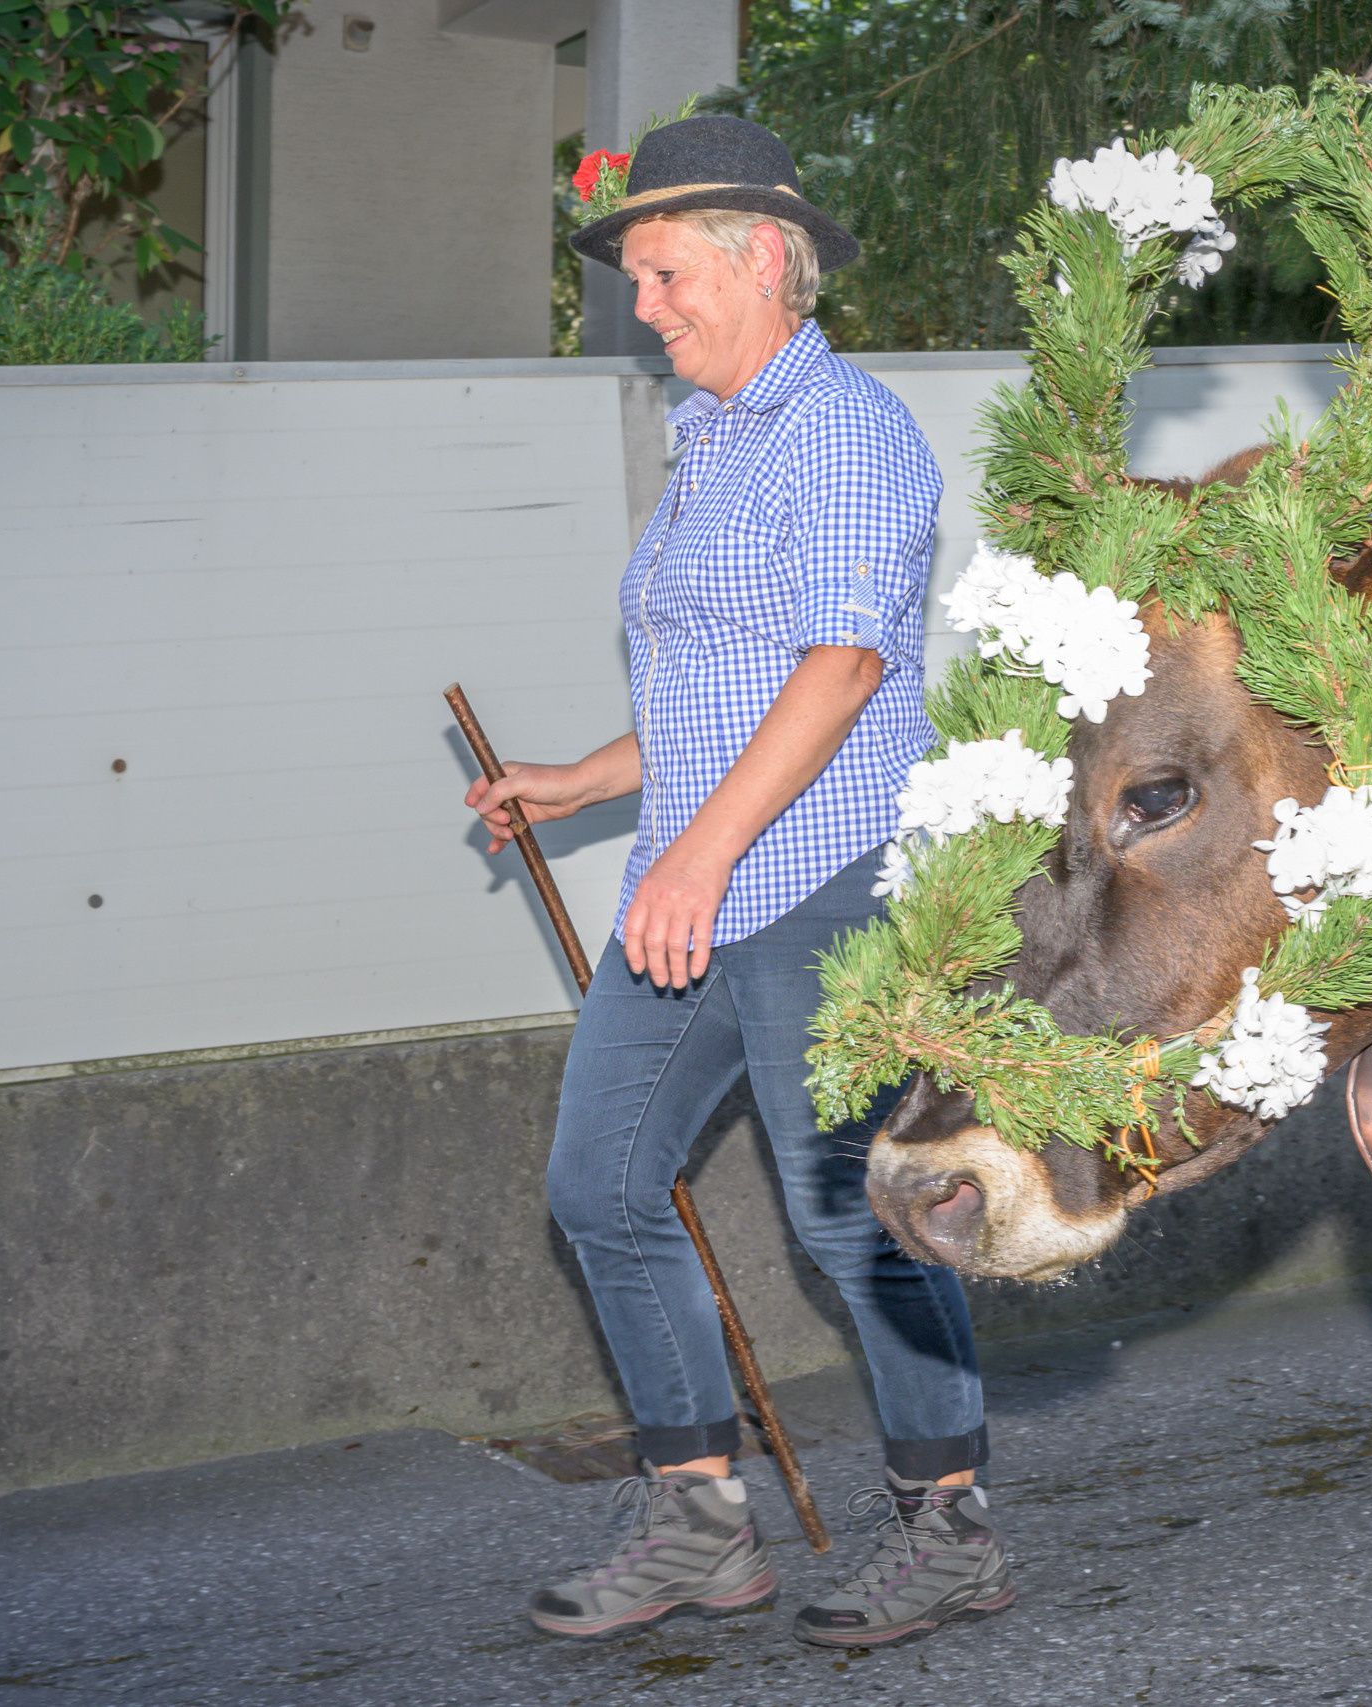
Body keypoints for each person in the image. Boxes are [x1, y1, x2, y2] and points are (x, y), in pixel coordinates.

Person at [464, 114, 1009, 1651]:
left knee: (857, 1217)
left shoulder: (845, 431)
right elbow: (729, 684)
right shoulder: (718, 440)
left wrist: (700, 851)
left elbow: (840, 667)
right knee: (603, 1186)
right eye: (637, 275)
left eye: (663, 271)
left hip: (822, 879)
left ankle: (948, 1523)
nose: (645, 306)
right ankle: (701, 1518)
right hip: (689, 890)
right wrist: (586, 781)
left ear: (763, 258)